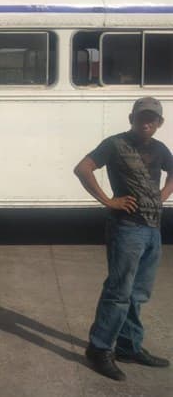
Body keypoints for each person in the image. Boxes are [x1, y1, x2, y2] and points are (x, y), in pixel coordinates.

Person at [74, 96, 173, 381]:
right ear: (132, 118)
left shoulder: (160, 148)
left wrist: (162, 196)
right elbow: (83, 168)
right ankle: (99, 349)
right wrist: (108, 200)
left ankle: (129, 347)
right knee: (119, 292)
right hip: (126, 229)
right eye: (142, 117)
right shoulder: (115, 144)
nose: (147, 122)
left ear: (160, 123)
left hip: (153, 230)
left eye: (152, 118)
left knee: (138, 294)